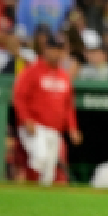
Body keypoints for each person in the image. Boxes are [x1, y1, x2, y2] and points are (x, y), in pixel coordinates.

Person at [12, 33, 81, 185]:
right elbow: (19, 96)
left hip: (55, 130)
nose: (57, 53)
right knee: (40, 158)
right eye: (54, 49)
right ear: (46, 49)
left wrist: (72, 127)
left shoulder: (64, 75)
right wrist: (25, 119)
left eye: (60, 49)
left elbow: (68, 105)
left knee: (49, 171)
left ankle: (39, 201)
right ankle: (26, 188)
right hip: (35, 126)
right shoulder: (32, 70)